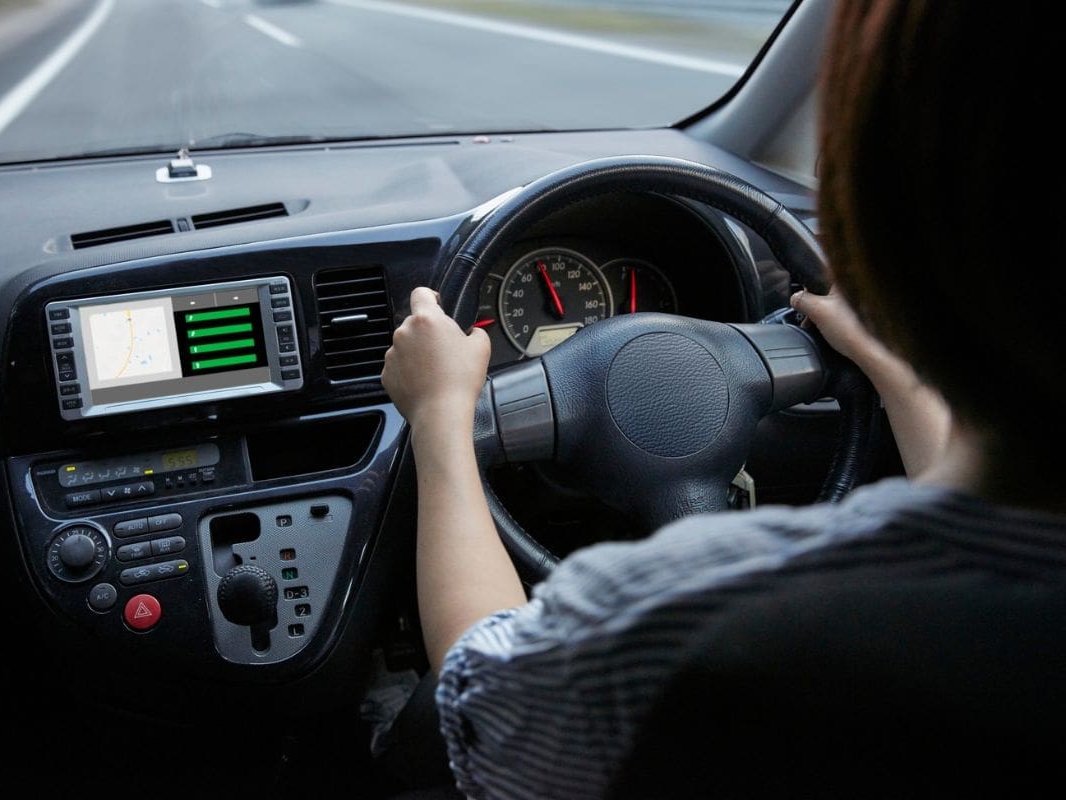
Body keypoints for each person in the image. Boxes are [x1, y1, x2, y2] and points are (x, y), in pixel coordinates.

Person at [381, 2, 1062, 797]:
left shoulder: (683, 619)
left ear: (877, 237)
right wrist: (896, 374)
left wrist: (441, 418)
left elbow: (476, 693)